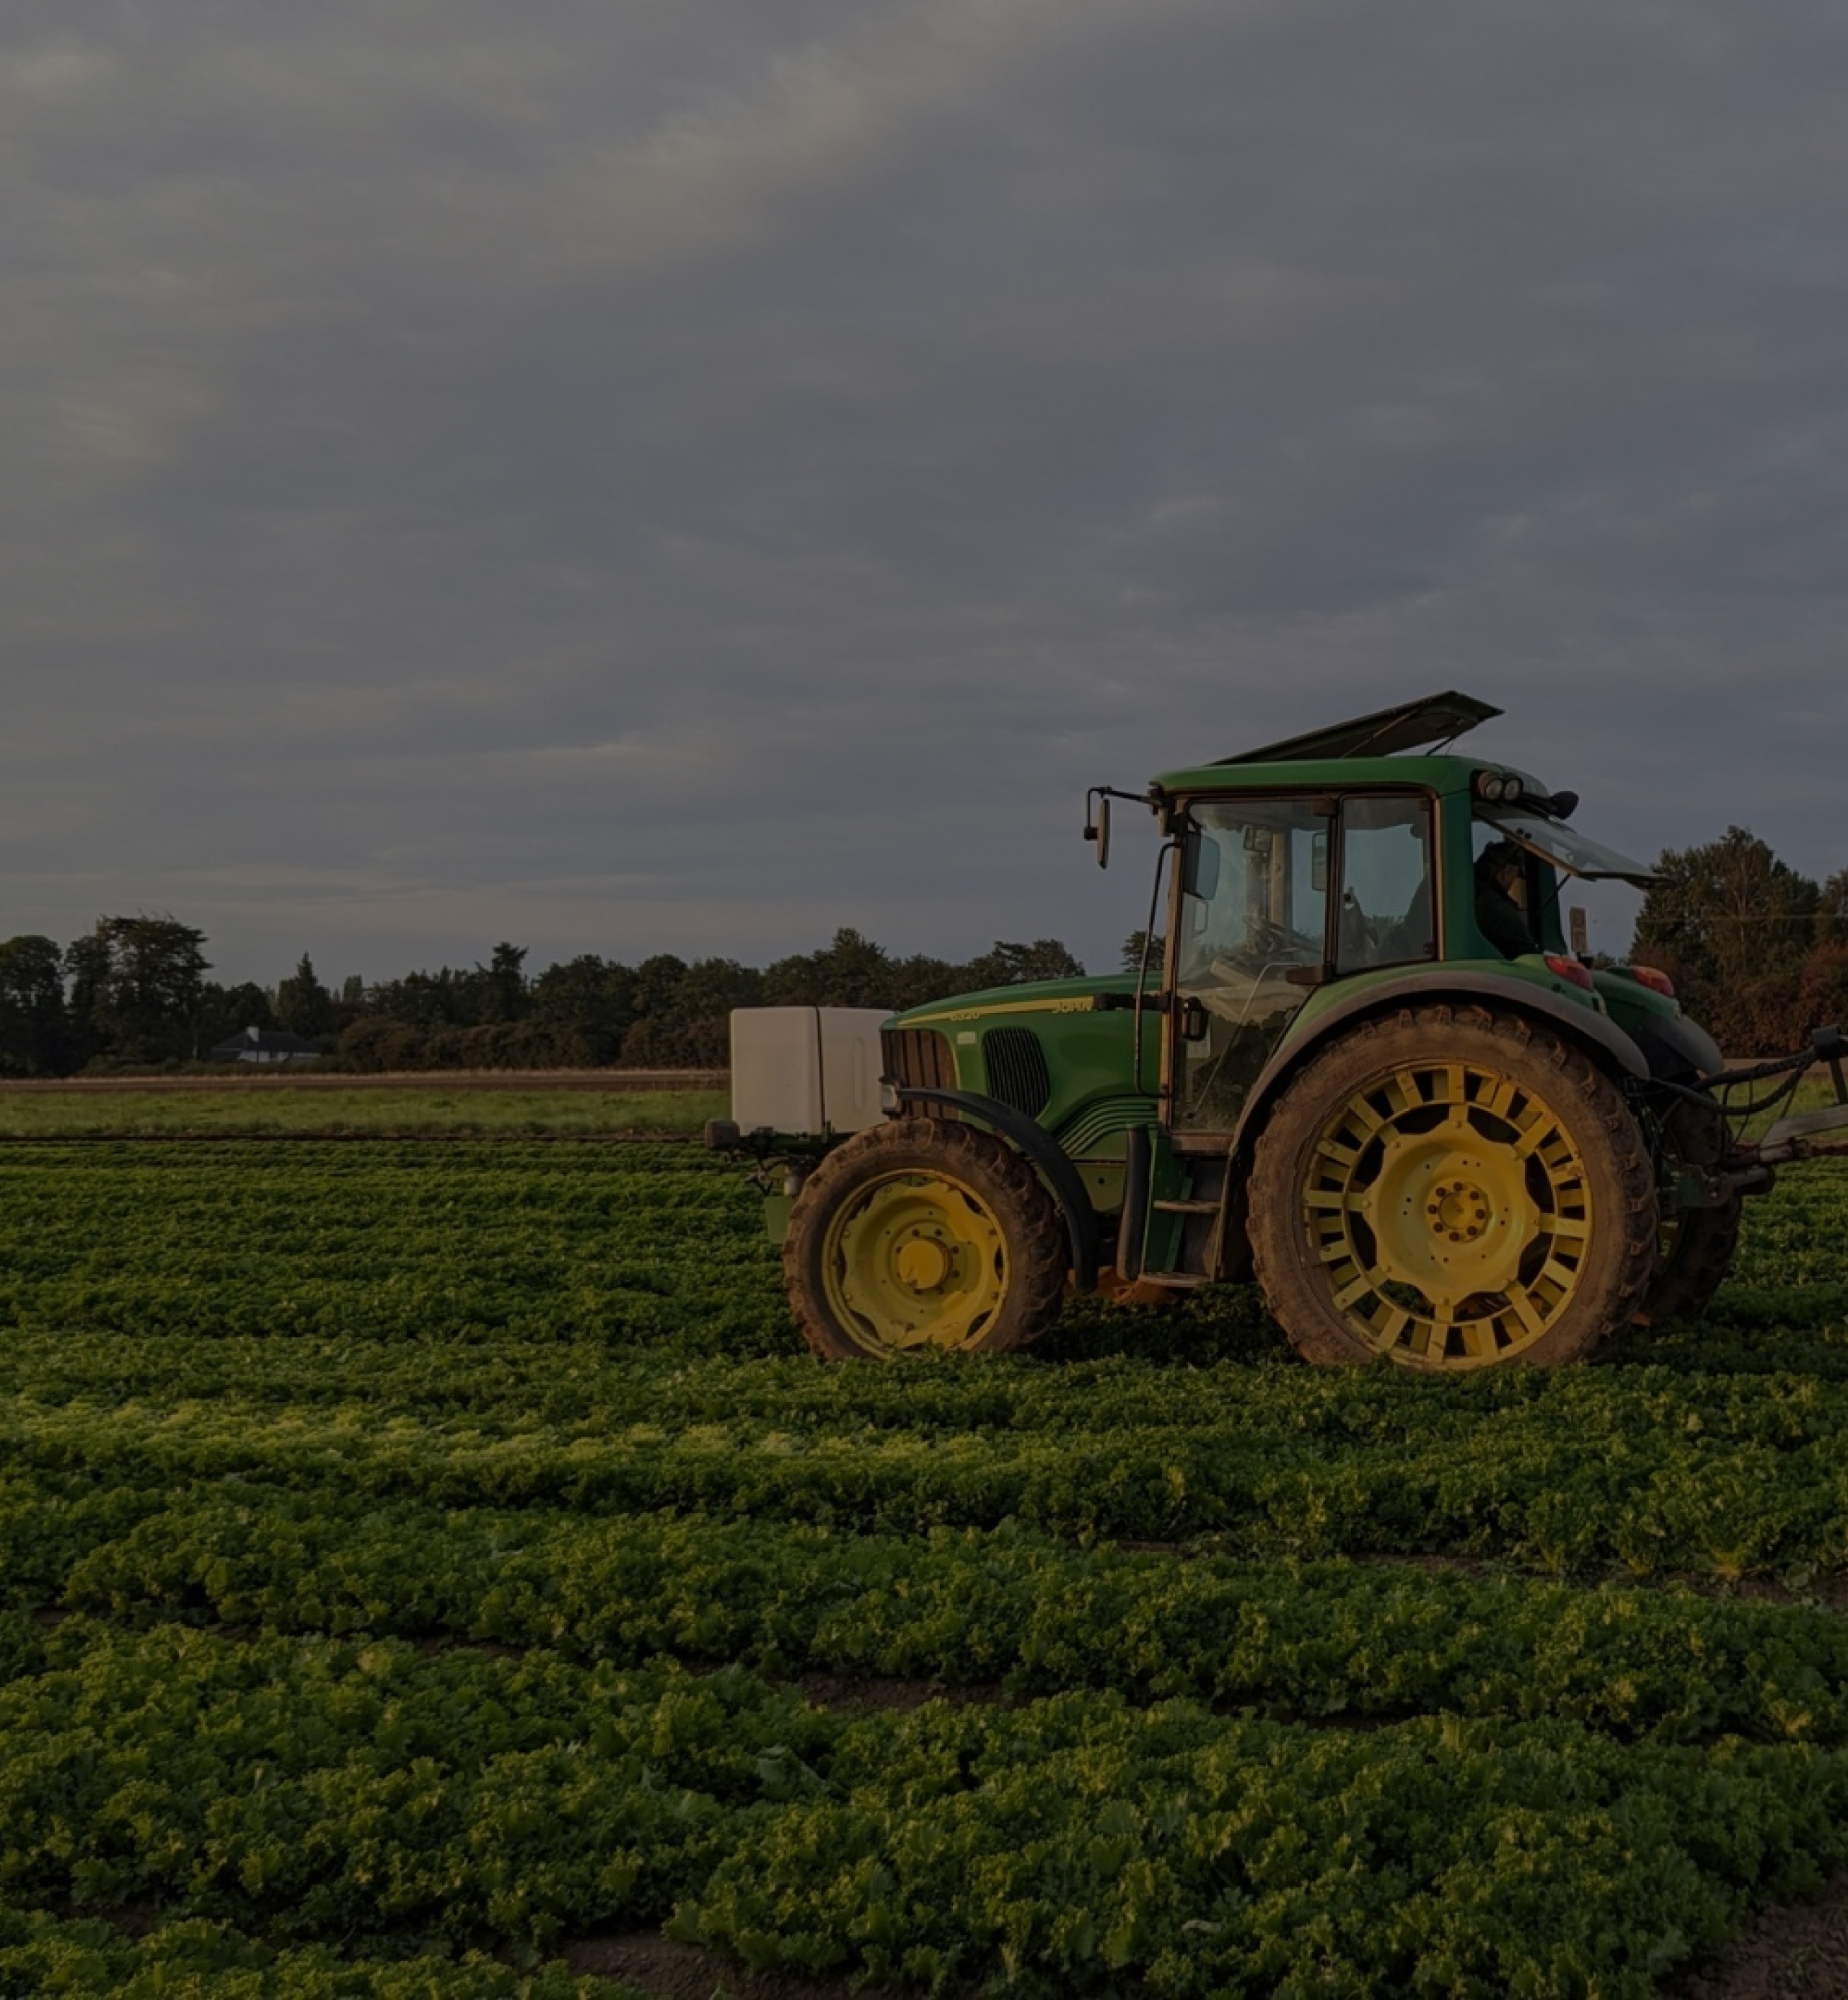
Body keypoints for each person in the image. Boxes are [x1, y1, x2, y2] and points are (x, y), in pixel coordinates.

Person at [1474, 840, 1538, 957]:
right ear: (1505, 872)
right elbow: (1529, 956)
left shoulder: (1467, 895)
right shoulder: (1497, 910)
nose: (1511, 885)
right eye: (1514, 878)